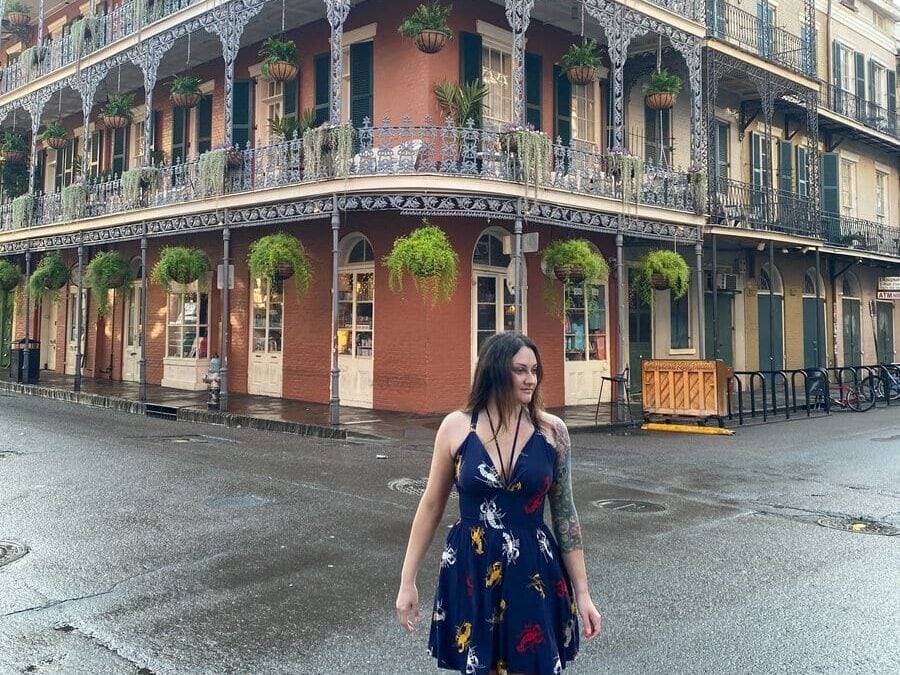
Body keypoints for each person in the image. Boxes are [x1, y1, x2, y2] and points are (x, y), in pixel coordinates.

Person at [396, 332, 602, 674]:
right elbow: (431, 505)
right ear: (494, 372)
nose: (531, 379)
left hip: (532, 568)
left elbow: (565, 514)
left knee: (532, 664)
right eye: (520, 370)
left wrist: (583, 594)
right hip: (471, 567)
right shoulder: (456, 427)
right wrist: (408, 581)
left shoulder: (553, 432)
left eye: (535, 370)